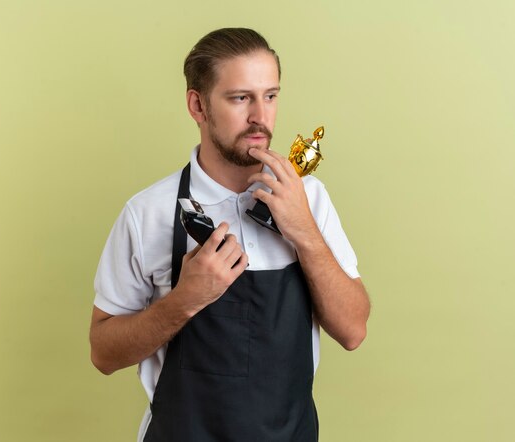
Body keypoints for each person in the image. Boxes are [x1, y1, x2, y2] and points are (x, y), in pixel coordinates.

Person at [89, 28, 370, 441]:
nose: (261, 116)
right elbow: (103, 353)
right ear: (198, 105)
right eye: (241, 98)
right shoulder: (147, 213)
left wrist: (305, 232)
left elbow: (353, 331)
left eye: (270, 96)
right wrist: (183, 302)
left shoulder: (308, 198)